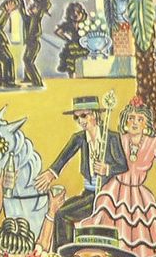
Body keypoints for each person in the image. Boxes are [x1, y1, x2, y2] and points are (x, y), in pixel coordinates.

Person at [87, 97, 156, 257]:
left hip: (138, 194)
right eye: (131, 118)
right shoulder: (117, 139)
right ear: (125, 121)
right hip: (114, 190)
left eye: (140, 119)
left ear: (146, 123)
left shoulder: (155, 144)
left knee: (142, 230)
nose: (135, 122)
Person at [35, 92, 127, 239]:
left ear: (95, 115)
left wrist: (107, 169)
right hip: (88, 194)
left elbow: (123, 166)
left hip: (107, 195)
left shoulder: (111, 138)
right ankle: (64, 251)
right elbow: (64, 156)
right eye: (77, 117)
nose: (80, 121)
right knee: (60, 211)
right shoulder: (79, 138)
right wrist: (51, 173)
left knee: (63, 214)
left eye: (84, 115)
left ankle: (65, 252)